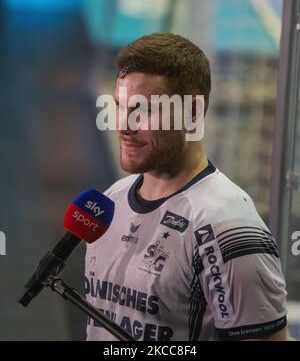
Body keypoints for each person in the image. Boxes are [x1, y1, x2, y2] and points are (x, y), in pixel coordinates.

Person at [85, 33, 288, 341]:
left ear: (193, 113)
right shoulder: (111, 201)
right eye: (120, 106)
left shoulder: (226, 226)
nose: (124, 125)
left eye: (146, 110)